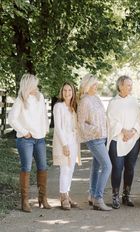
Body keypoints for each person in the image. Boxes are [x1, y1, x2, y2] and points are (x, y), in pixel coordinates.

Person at [8, 74, 51, 212]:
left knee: (43, 167)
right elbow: (12, 119)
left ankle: (42, 198)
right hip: (25, 139)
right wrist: (24, 131)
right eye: (34, 84)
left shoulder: (40, 97)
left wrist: (44, 130)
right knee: (26, 168)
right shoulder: (20, 100)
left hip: (40, 139)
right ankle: (24, 201)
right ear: (28, 85)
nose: (37, 87)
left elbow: (44, 115)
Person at [77, 74, 112, 211]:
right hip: (94, 139)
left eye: (97, 84)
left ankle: (92, 195)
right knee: (107, 166)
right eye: (93, 84)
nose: (96, 86)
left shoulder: (96, 98)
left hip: (102, 138)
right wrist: (95, 130)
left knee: (96, 167)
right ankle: (98, 198)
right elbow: (80, 124)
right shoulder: (84, 101)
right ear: (87, 85)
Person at [107, 75, 140, 209]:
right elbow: (110, 120)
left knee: (130, 168)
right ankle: (115, 196)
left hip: (133, 139)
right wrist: (123, 131)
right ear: (120, 86)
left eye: (131, 85)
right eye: (128, 85)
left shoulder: (135, 101)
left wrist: (132, 131)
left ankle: (126, 195)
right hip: (118, 138)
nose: (130, 87)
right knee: (117, 168)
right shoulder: (113, 103)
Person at [52, 82, 82, 210]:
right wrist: (64, 144)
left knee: (71, 169)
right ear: (61, 92)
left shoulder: (74, 108)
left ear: (73, 92)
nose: (67, 93)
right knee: (65, 169)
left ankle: (67, 195)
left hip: (74, 141)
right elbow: (58, 127)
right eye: (65, 90)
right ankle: (63, 197)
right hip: (63, 141)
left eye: (70, 90)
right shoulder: (58, 107)